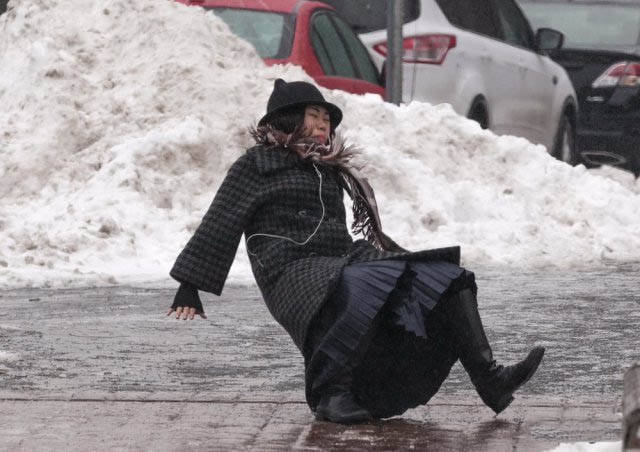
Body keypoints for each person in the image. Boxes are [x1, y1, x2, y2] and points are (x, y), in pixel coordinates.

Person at [167, 79, 545, 423]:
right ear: (287, 120)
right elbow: (221, 220)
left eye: (326, 119)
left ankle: (490, 378)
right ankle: (331, 395)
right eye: (313, 116)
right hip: (289, 270)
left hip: (339, 263)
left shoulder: (330, 169)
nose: (323, 125)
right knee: (363, 284)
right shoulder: (256, 165)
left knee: (443, 275)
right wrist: (190, 285)